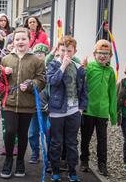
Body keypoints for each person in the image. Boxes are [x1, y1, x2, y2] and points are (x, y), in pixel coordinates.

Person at [0, 27, 46, 179]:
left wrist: (31, 84)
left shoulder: (36, 60)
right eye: (17, 39)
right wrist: (3, 73)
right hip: (9, 102)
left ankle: (20, 161)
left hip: (27, 104)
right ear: (13, 41)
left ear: (29, 40)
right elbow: (0, 80)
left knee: (22, 133)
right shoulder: (6, 59)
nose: (20, 42)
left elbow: (41, 80)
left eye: (23, 39)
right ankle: (8, 159)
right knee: (10, 132)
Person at [47, 36, 87, 182]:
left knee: (71, 143)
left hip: (74, 111)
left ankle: (72, 172)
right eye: (63, 50)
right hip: (57, 110)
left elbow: (83, 90)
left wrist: (81, 108)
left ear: (74, 52)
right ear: (58, 50)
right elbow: (53, 81)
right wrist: (62, 66)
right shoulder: (53, 65)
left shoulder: (78, 68)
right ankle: (55, 171)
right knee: (56, 142)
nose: (66, 53)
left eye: (69, 51)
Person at [79, 40, 117, 177]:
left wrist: (113, 115)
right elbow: (80, 86)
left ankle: (102, 164)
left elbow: (113, 94)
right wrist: (82, 69)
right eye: (100, 53)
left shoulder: (110, 72)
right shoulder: (89, 68)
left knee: (102, 139)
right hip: (88, 110)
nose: (103, 56)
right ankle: (84, 160)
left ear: (110, 56)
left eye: (106, 54)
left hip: (102, 112)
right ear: (94, 54)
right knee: (86, 137)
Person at [27, 43, 50, 164]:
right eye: (36, 54)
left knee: (48, 132)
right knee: (32, 133)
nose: (39, 56)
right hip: (34, 108)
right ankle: (35, 153)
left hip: (47, 109)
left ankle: (51, 156)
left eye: (41, 54)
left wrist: (50, 103)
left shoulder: (50, 70)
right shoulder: (31, 70)